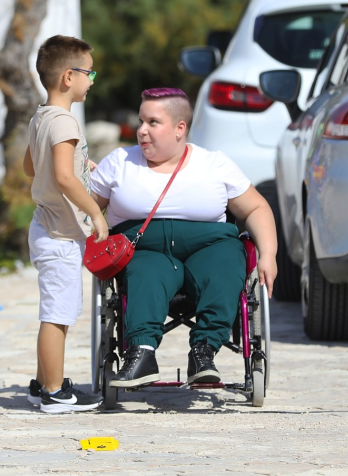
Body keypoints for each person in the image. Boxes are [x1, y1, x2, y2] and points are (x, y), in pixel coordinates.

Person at [90, 88, 277, 388]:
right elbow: (86, 208)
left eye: (153, 122)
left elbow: (256, 207)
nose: (142, 130)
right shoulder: (119, 162)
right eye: (140, 121)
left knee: (226, 266)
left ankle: (204, 351)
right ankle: (141, 354)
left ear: (180, 128)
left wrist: (268, 254)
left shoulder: (214, 164)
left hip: (209, 246)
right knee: (146, 274)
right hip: (145, 249)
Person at [22, 35, 109, 413]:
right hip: (60, 235)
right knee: (57, 316)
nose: (92, 80)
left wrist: (78, 163)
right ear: (68, 77)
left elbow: (31, 166)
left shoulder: (41, 117)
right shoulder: (65, 122)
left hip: (45, 226)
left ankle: (42, 384)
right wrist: (95, 212)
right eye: (90, 73)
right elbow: (62, 177)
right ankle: (55, 394)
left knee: (56, 311)